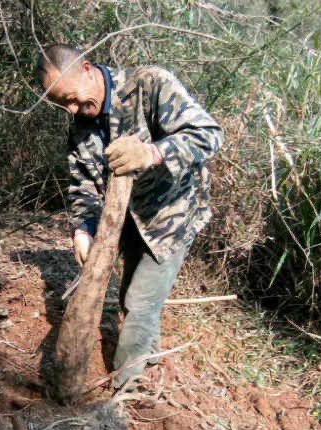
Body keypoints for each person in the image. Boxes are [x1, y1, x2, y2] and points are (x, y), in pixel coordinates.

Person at [37, 44, 223, 391]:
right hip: (126, 218)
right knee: (128, 297)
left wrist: (152, 152)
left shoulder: (150, 84)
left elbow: (209, 135)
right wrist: (82, 229)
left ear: (87, 69)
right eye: (62, 104)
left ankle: (126, 389)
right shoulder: (80, 125)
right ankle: (148, 356)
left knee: (140, 303)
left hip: (171, 215)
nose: (72, 109)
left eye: (73, 98)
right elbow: (83, 185)